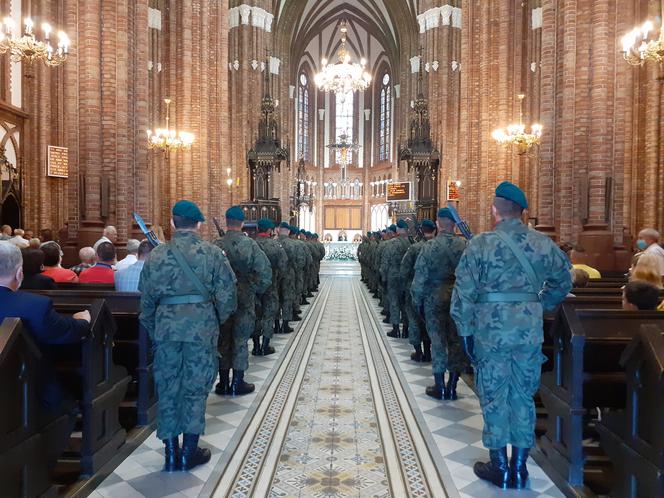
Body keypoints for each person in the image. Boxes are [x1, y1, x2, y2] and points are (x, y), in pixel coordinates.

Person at [451, 181, 572, 490]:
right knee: (522, 395)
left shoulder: (480, 244)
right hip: (528, 332)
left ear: (495, 211)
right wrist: (540, 304)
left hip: (490, 332)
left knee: (493, 394)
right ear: (523, 212)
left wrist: (465, 330)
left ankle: (499, 465)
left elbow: (463, 294)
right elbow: (564, 279)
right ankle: (520, 467)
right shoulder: (544, 244)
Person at [139, 200, 237, 472]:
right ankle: (189, 453)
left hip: (166, 331)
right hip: (201, 330)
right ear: (198, 224)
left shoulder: (156, 255)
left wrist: (157, 327)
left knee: (169, 388)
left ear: (172, 223)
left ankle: (170, 452)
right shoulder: (212, 253)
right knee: (195, 389)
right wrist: (212, 321)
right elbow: (228, 297)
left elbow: (145, 302)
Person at [0, 241, 90, 412]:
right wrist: (83, 321)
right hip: (26, 396)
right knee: (67, 406)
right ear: (19, 273)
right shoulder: (35, 306)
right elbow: (64, 332)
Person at [214, 206, 271, 396]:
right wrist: (253, 289)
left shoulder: (216, 245)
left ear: (226, 221)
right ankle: (237, 381)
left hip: (221, 299)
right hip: (244, 298)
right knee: (240, 339)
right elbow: (264, 273)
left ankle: (222, 382)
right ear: (243, 222)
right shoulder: (250, 245)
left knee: (223, 338)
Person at [412, 209, 468, 400]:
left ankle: (439, 386)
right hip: (458, 297)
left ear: (438, 224)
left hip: (433, 297)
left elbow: (419, 278)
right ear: (454, 224)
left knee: (437, 341)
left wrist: (417, 302)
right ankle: (452, 385)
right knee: (455, 341)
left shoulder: (429, 247)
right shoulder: (465, 246)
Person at [400, 219, 436, 362]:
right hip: (436, 291)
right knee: (430, 321)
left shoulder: (415, 248)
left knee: (415, 320)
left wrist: (404, 287)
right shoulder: (439, 247)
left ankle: (418, 352)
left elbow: (404, 269)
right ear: (434, 230)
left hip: (416, 289)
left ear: (421, 230)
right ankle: (429, 351)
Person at [252, 219, 288, 356]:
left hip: (253, 287)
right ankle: (265, 345)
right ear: (269, 231)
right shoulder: (275, 245)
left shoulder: (251, 244)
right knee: (269, 315)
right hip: (270, 286)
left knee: (255, 314)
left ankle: (255, 346)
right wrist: (276, 279)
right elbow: (283, 265)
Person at [380, 219, 412, 338]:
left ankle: (395, 329)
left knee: (394, 302)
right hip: (406, 277)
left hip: (393, 276)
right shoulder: (410, 243)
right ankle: (405, 330)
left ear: (398, 229)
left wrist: (383, 277)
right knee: (405, 304)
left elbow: (385, 262)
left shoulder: (392, 243)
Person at [276, 222, 305, 335]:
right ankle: (285, 325)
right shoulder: (294, 244)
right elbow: (300, 261)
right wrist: (295, 271)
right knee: (287, 298)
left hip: (276, 276)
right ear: (288, 231)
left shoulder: (274, 243)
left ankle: (276, 324)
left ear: (279, 230)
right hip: (289, 275)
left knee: (277, 298)